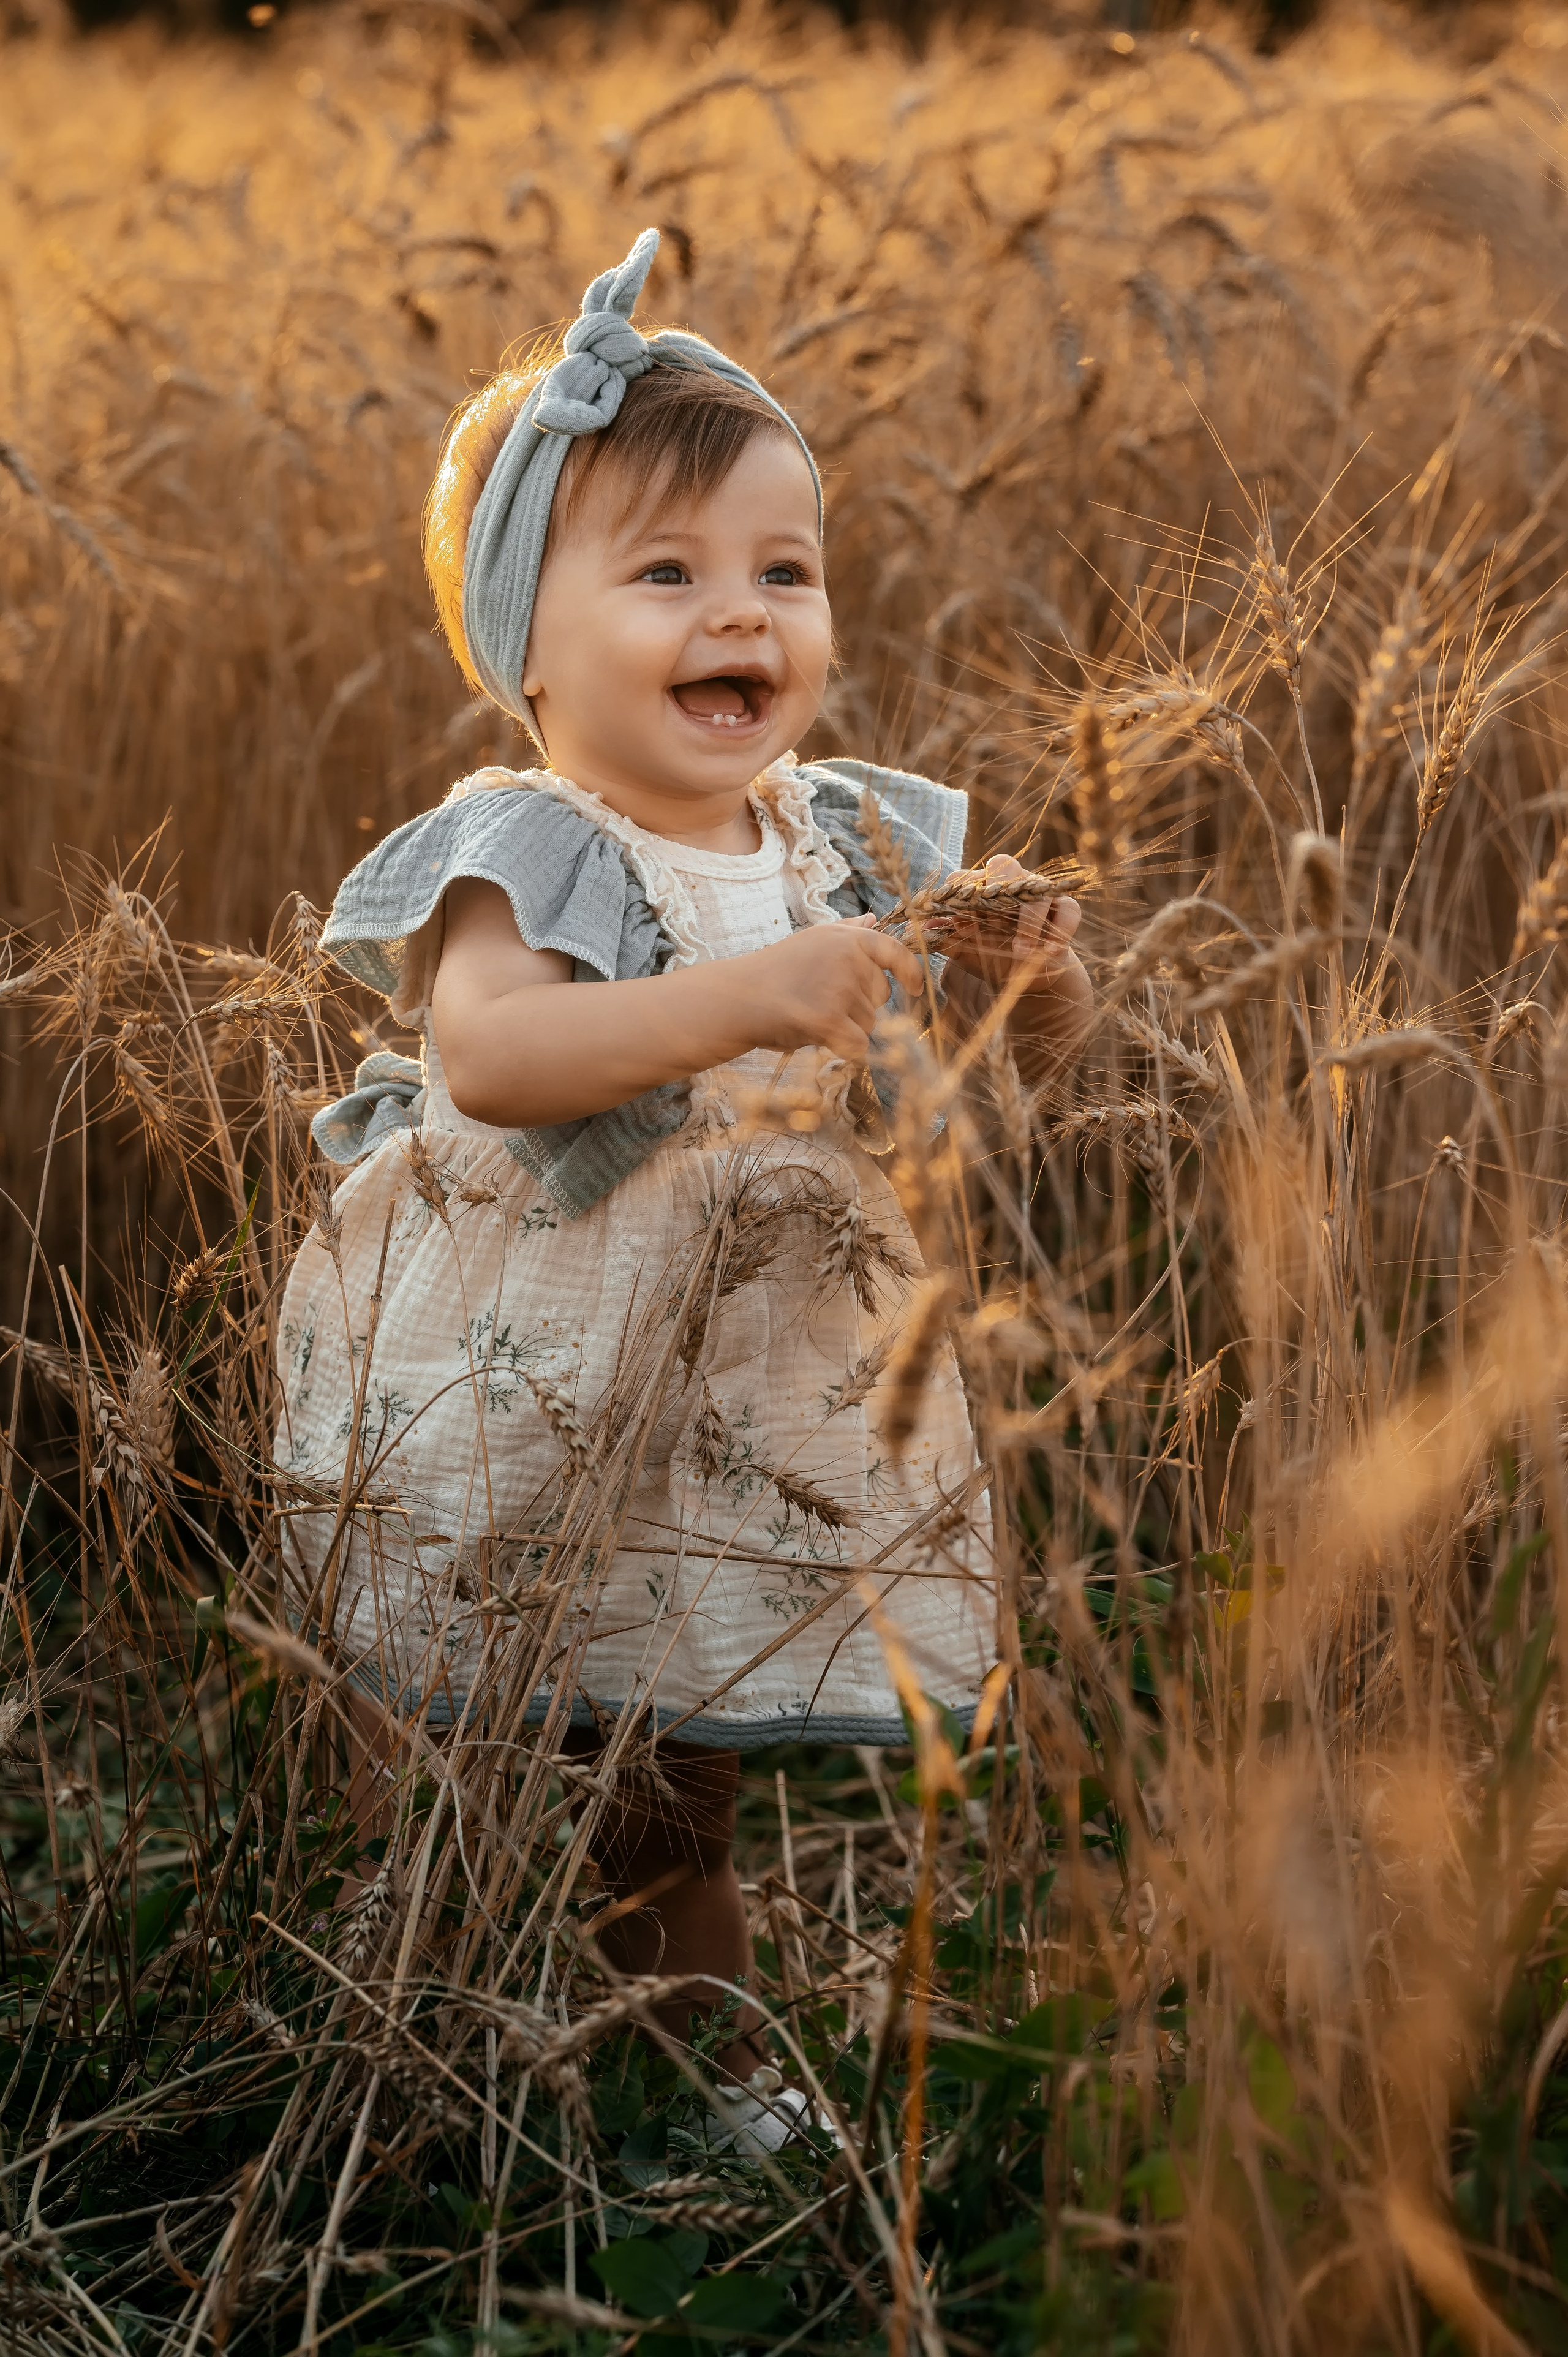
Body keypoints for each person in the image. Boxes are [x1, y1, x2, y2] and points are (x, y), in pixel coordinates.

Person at [276, 229, 1091, 2153]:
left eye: (783, 573)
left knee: (666, 1786)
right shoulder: (526, 844)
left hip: (726, 1412)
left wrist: (1027, 989)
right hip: (520, 1386)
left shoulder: (843, 838)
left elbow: (975, 1084)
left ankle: (710, 2074)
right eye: (668, 574)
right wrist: (752, 995)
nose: (743, 614)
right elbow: (495, 1057)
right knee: (463, 1749)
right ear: (527, 647)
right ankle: (407, 2051)